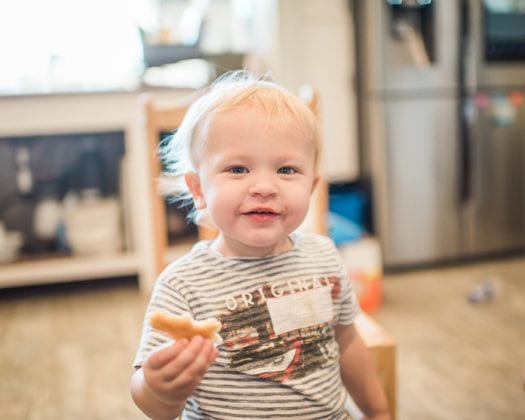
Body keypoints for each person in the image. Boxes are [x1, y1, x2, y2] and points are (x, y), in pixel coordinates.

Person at [130, 71, 390, 419]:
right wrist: (157, 387)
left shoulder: (324, 256)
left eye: (286, 170)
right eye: (238, 169)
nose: (265, 187)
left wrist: (379, 412)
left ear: (311, 187)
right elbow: (151, 403)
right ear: (198, 189)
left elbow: (347, 342)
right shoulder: (183, 285)